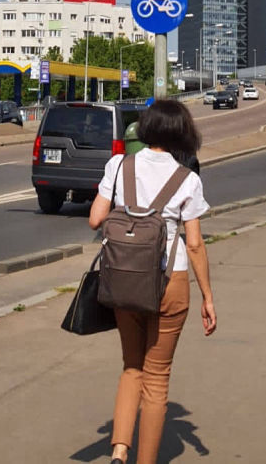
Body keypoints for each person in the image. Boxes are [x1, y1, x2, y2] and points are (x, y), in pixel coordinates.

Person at [89, 99, 216, 464]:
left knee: (132, 366)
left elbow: (96, 219)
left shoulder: (118, 165)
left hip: (124, 279)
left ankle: (119, 449)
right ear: (182, 134)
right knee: (156, 378)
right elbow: (194, 244)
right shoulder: (187, 179)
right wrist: (208, 297)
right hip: (169, 282)